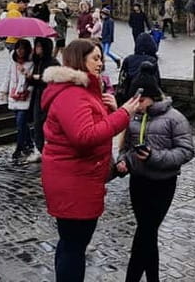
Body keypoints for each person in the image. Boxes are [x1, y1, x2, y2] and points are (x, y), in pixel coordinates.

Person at [40, 40, 141, 281]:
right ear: (79, 60)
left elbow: (95, 127)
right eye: (95, 58)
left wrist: (113, 110)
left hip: (79, 179)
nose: (100, 63)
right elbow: (84, 137)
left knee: (70, 244)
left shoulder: (83, 92)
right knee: (74, 247)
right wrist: (123, 114)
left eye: (101, 58)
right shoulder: (73, 95)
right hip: (74, 182)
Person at [115, 63, 194, 282]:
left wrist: (154, 156)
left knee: (145, 233)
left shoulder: (175, 118)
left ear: (152, 97)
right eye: (135, 100)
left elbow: (186, 151)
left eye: (141, 100)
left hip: (162, 184)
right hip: (138, 182)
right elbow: (124, 148)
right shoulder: (133, 117)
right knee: (147, 234)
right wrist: (123, 162)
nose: (137, 105)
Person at [25, 37, 59, 164]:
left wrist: (38, 78)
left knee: (47, 122)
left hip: (49, 96)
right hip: (38, 95)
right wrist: (30, 78)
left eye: (39, 46)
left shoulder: (53, 62)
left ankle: (49, 147)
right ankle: (40, 148)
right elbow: (34, 81)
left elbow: (54, 79)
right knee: (37, 122)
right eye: (36, 46)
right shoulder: (37, 62)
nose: (37, 49)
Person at [0, 38, 34, 160]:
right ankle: (29, 144)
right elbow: (8, 77)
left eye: (23, 48)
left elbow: (33, 81)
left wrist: (27, 87)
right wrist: (3, 91)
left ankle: (19, 148)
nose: (20, 51)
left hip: (25, 97)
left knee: (20, 123)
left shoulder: (32, 63)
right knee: (22, 124)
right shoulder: (13, 63)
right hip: (13, 97)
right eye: (18, 48)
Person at [119, 32, 160, 103]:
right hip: (148, 97)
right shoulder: (152, 60)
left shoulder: (128, 59)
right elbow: (157, 81)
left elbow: (122, 79)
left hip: (130, 97)